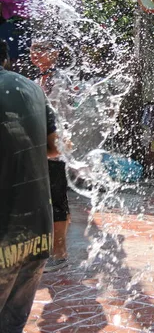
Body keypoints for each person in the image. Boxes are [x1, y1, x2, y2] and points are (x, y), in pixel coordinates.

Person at [0, 39, 60, 331]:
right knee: (12, 322)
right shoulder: (32, 87)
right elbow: (55, 146)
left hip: (3, 229)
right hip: (37, 230)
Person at [30, 39, 71, 272]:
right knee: (47, 199)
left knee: (57, 200)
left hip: (56, 147)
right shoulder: (37, 80)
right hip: (42, 147)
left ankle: (60, 253)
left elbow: (62, 115)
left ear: (54, 53)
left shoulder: (60, 81)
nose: (36, 54)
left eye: (42, 49)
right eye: (33, 48)